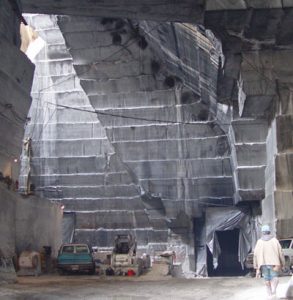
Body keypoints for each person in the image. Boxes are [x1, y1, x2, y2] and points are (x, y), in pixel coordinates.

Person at [253, 224, 285, 298]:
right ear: (269, 232)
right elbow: (281, 253)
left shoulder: (259, 242)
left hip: (263, 264)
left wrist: (256, 267)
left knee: (267, 278)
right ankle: (274, 291)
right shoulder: (275, 241)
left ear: (262, 232)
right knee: (274, 277)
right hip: (274, 264)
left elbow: (255, 255)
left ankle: (269, 293)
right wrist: (283, 263)